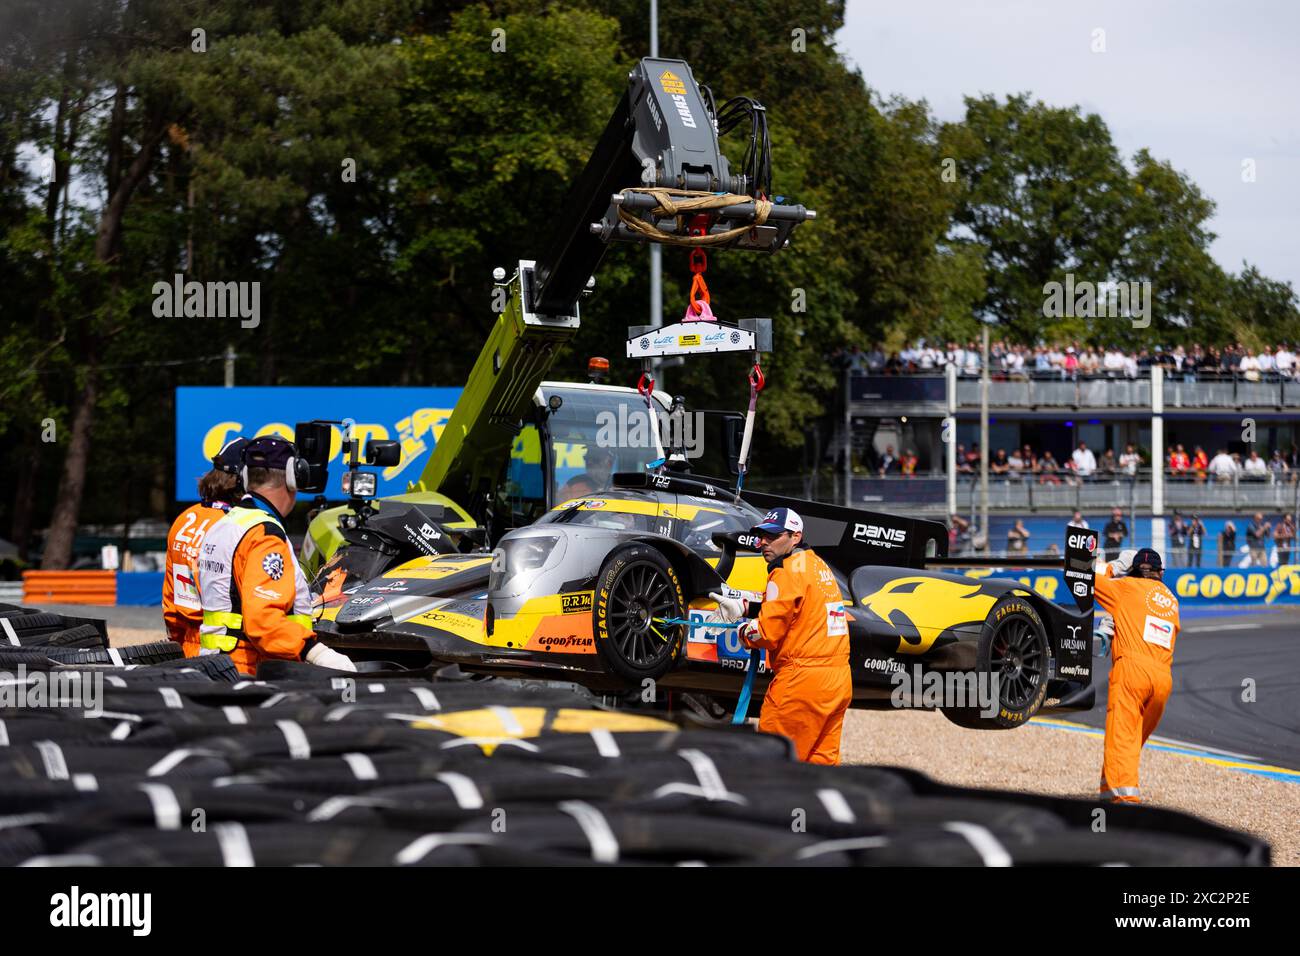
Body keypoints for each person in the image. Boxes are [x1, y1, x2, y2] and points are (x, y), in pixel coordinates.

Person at [197, 436, 355, 675]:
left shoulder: (226, 523)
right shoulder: (264, 534)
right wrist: (316, 652)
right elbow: (263, 621)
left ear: (246, 476)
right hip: (248, 672)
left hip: (217, 667)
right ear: (294, 477)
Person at [706, 507, 852, 765]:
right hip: (838, 680)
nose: (764, 543)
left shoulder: (783, 570)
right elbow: (795, 608)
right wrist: (745, 607)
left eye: (773, 536)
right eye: (762, 536)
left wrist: (742, 630)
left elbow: (766, 634)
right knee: (821, 771)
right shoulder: (817, 565)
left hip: (800, 682)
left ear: (795, 537)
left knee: (772, 767)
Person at [1093, 548, 1179, 803]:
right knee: (1129, 744)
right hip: (1163, 679)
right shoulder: (1172, 600)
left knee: (1121, 740)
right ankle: (1110, 793)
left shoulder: (1126, 587)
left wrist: (1113, 568)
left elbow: (1081, 575)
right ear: (1160, 572)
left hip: (1132, 672)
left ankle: (1123, 806)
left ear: (1132, 570)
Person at [163, 437, 247, 656]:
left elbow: (170, 600)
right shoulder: (237, 525)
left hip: (187, 645)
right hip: (231, 650)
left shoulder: (184, 518)